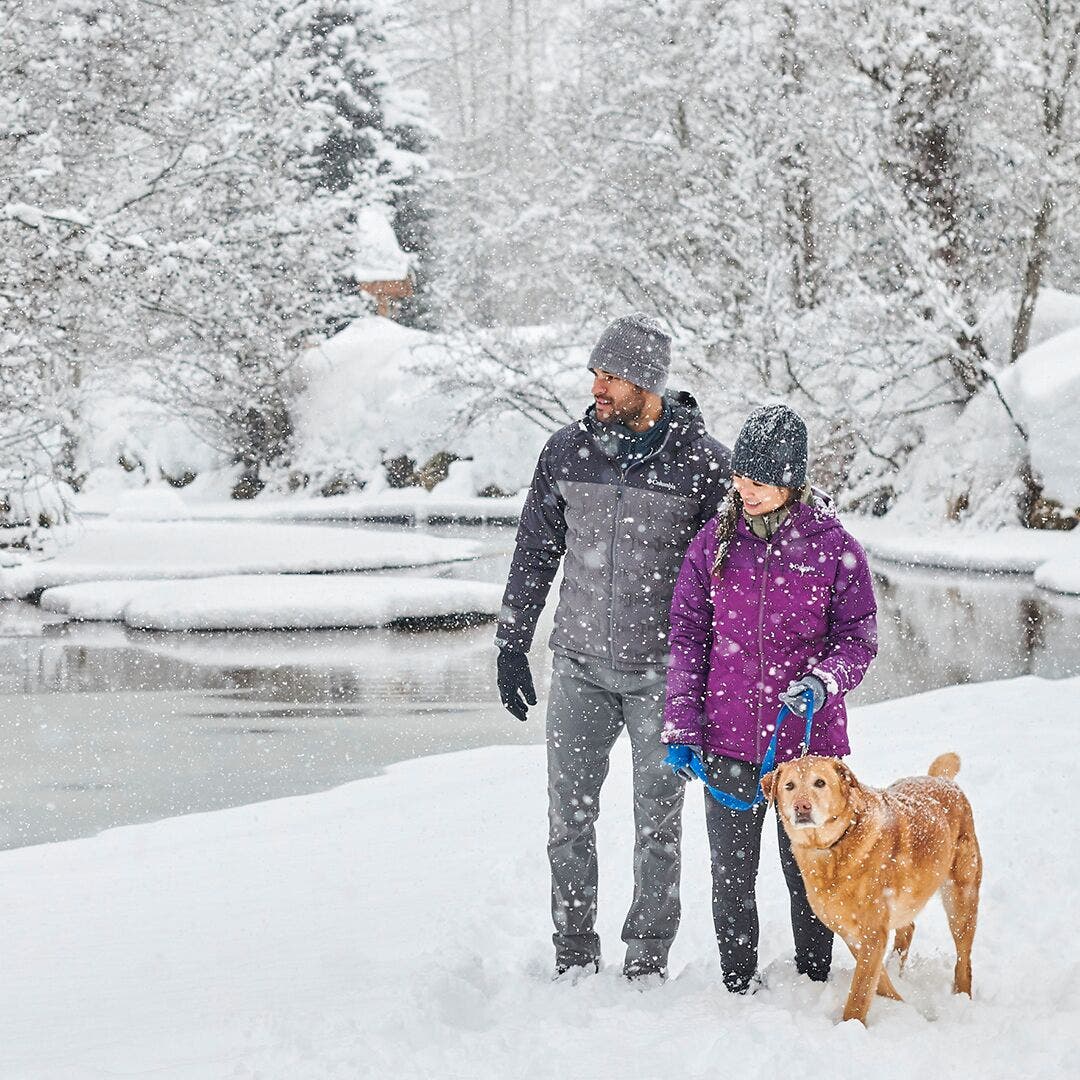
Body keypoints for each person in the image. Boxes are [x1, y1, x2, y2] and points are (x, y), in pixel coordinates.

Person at [495, 313, 731, 981]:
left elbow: (734, 570)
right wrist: (513, 640)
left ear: (648, 383)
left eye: (613, 376)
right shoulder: (565, 451)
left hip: (664, 675)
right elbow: (534, 551)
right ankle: (573, 953)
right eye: (595, 373)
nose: (598, 386)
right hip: (577, 668)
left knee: (658, 825)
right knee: (568, 821)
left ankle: (646, 958)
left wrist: (723, 672)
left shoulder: (705, 464)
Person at [661, 403, 877, 994]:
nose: (744, 490)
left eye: (759, 480)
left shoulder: (832, 546)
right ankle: (737, 986)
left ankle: (812, 981)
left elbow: (858, 638)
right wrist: (682, 726)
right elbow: (687, 633)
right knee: (731, 875)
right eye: (739, 476)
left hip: (807, 753)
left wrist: (825, 679)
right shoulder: (716, 540)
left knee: (811, 872)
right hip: (726, 739)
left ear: (790, 479)